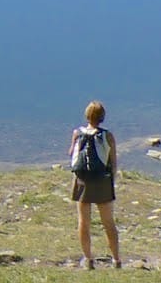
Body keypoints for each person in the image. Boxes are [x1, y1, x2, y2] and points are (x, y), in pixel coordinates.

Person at [69, 100, 122, 269]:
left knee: (83, 221)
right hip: (102, 181)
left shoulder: (77, 133)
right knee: (108, 222)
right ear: (102, 117)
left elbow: (71, 154)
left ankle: (88, 259)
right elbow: (113, 162)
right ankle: (116, 259)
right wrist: (111, 180)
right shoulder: (107, 136)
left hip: (82, 180)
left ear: (87, 115)